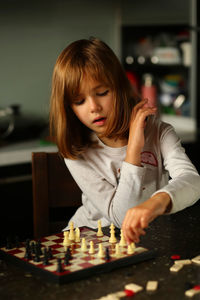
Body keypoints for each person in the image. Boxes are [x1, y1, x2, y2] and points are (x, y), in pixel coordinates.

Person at [49, 37, 200, 244]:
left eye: (102, 93)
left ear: (119, 86)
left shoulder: (158, 132)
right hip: (91, 238)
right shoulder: (76, 151)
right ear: (69, 107)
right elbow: (121, 218)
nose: (93, 107)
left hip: (146, 240)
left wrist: (156, 202)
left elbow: (193, 181)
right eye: (79, 101)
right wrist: (134, 148)